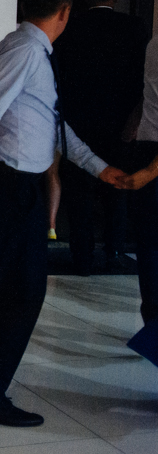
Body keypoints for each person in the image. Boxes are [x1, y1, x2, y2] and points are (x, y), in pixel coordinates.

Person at [0, 0, 126, 427]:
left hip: (16, 182)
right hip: (10, 182)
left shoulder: (29, 47)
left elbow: (51, 124)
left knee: (17, 286)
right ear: (64, 11)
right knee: (27, 291)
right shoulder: (25, 50)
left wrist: (100, 168)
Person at [55, 0, 148, 274]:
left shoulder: (71, 27)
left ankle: (81, 255)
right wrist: (135, 119)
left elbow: (59, 75)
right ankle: (114, 251)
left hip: (77, 122)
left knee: (78, 191)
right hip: (120, 122)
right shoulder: (134, 28)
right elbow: (142, 78)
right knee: (118, 186)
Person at [119, 33, 158, 360]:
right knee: (151, 248)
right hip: (152, 155)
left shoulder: (154, 43)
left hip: (148, 148)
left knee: (150, 247)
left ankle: (152, 330)